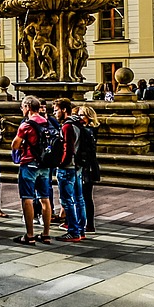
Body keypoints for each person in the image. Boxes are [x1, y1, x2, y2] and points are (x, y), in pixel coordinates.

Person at [11, 95, 53, 245]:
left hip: (29, 164)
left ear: (28, 107)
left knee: (27, 198)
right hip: (44, 164)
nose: (22, 109)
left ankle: (30, 235)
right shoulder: (47, 123)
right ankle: (46, 234)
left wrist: (22, 146)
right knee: (45, 198)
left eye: (22, 107)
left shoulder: (26, 125)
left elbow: (15, 145)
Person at [52, 98, 86, 242]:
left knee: (67, 200)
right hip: (77, 166)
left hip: (68, 167)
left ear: (64, 110)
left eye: (56, 110)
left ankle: (73, 231)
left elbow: (68, 148)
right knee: (79, 199)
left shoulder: (67, 126)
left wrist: (60, 163)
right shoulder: (78, 123)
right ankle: (81, 229)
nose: (54, 113)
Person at [75, 105, 101, 233]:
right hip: (90, 166)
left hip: (86, 167)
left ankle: (88, 223)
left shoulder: (87, 131)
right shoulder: (91, 129)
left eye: (81, 115)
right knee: (86, 196)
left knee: (85, 196)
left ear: (88, 117)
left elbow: (85, 151)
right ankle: (88, 223)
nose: (79, 117)